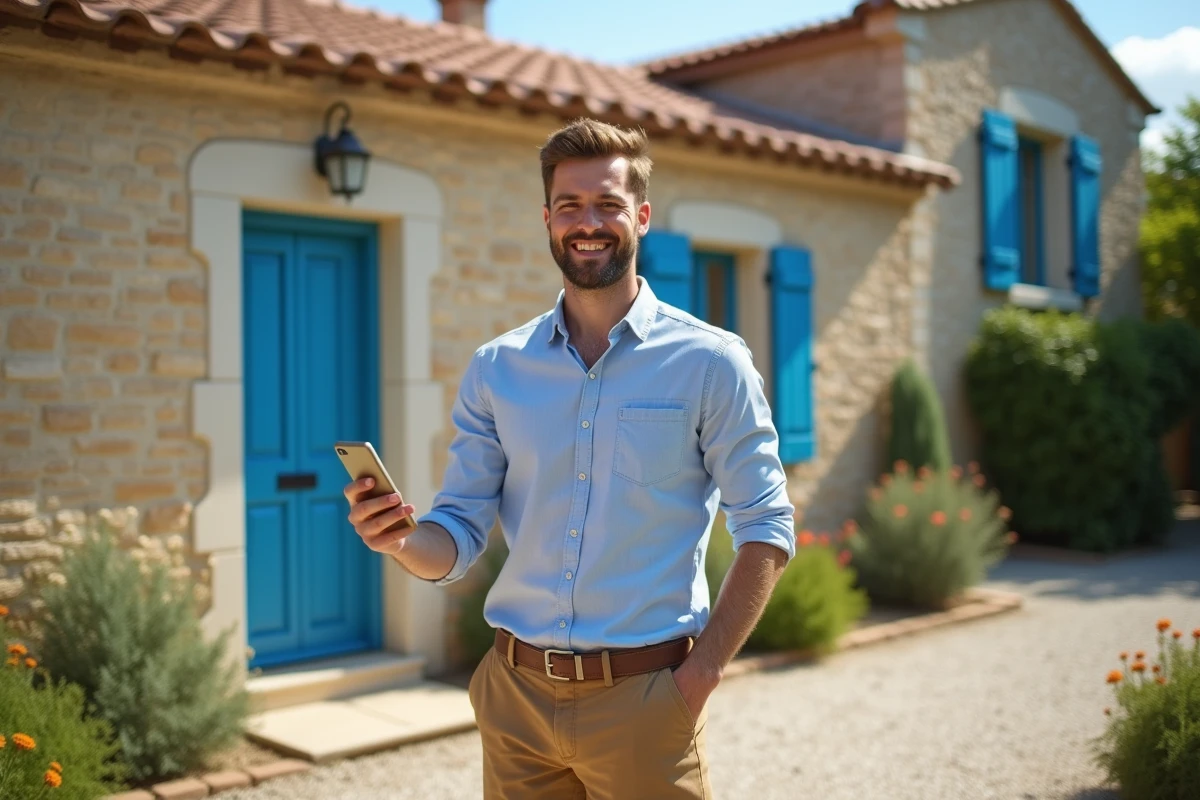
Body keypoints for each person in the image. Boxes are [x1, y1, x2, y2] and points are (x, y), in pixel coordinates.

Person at [344, 118, 796, 799]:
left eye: (608, 204)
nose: (588, 222)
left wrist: (699, 677)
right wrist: (403, 540)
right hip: (514, 702)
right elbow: (459, 532)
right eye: (569, 205)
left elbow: (766, 527)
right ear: (548, 218)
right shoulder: (498, 368)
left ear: (641, 216)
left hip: (647, 700)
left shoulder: (711, 362)